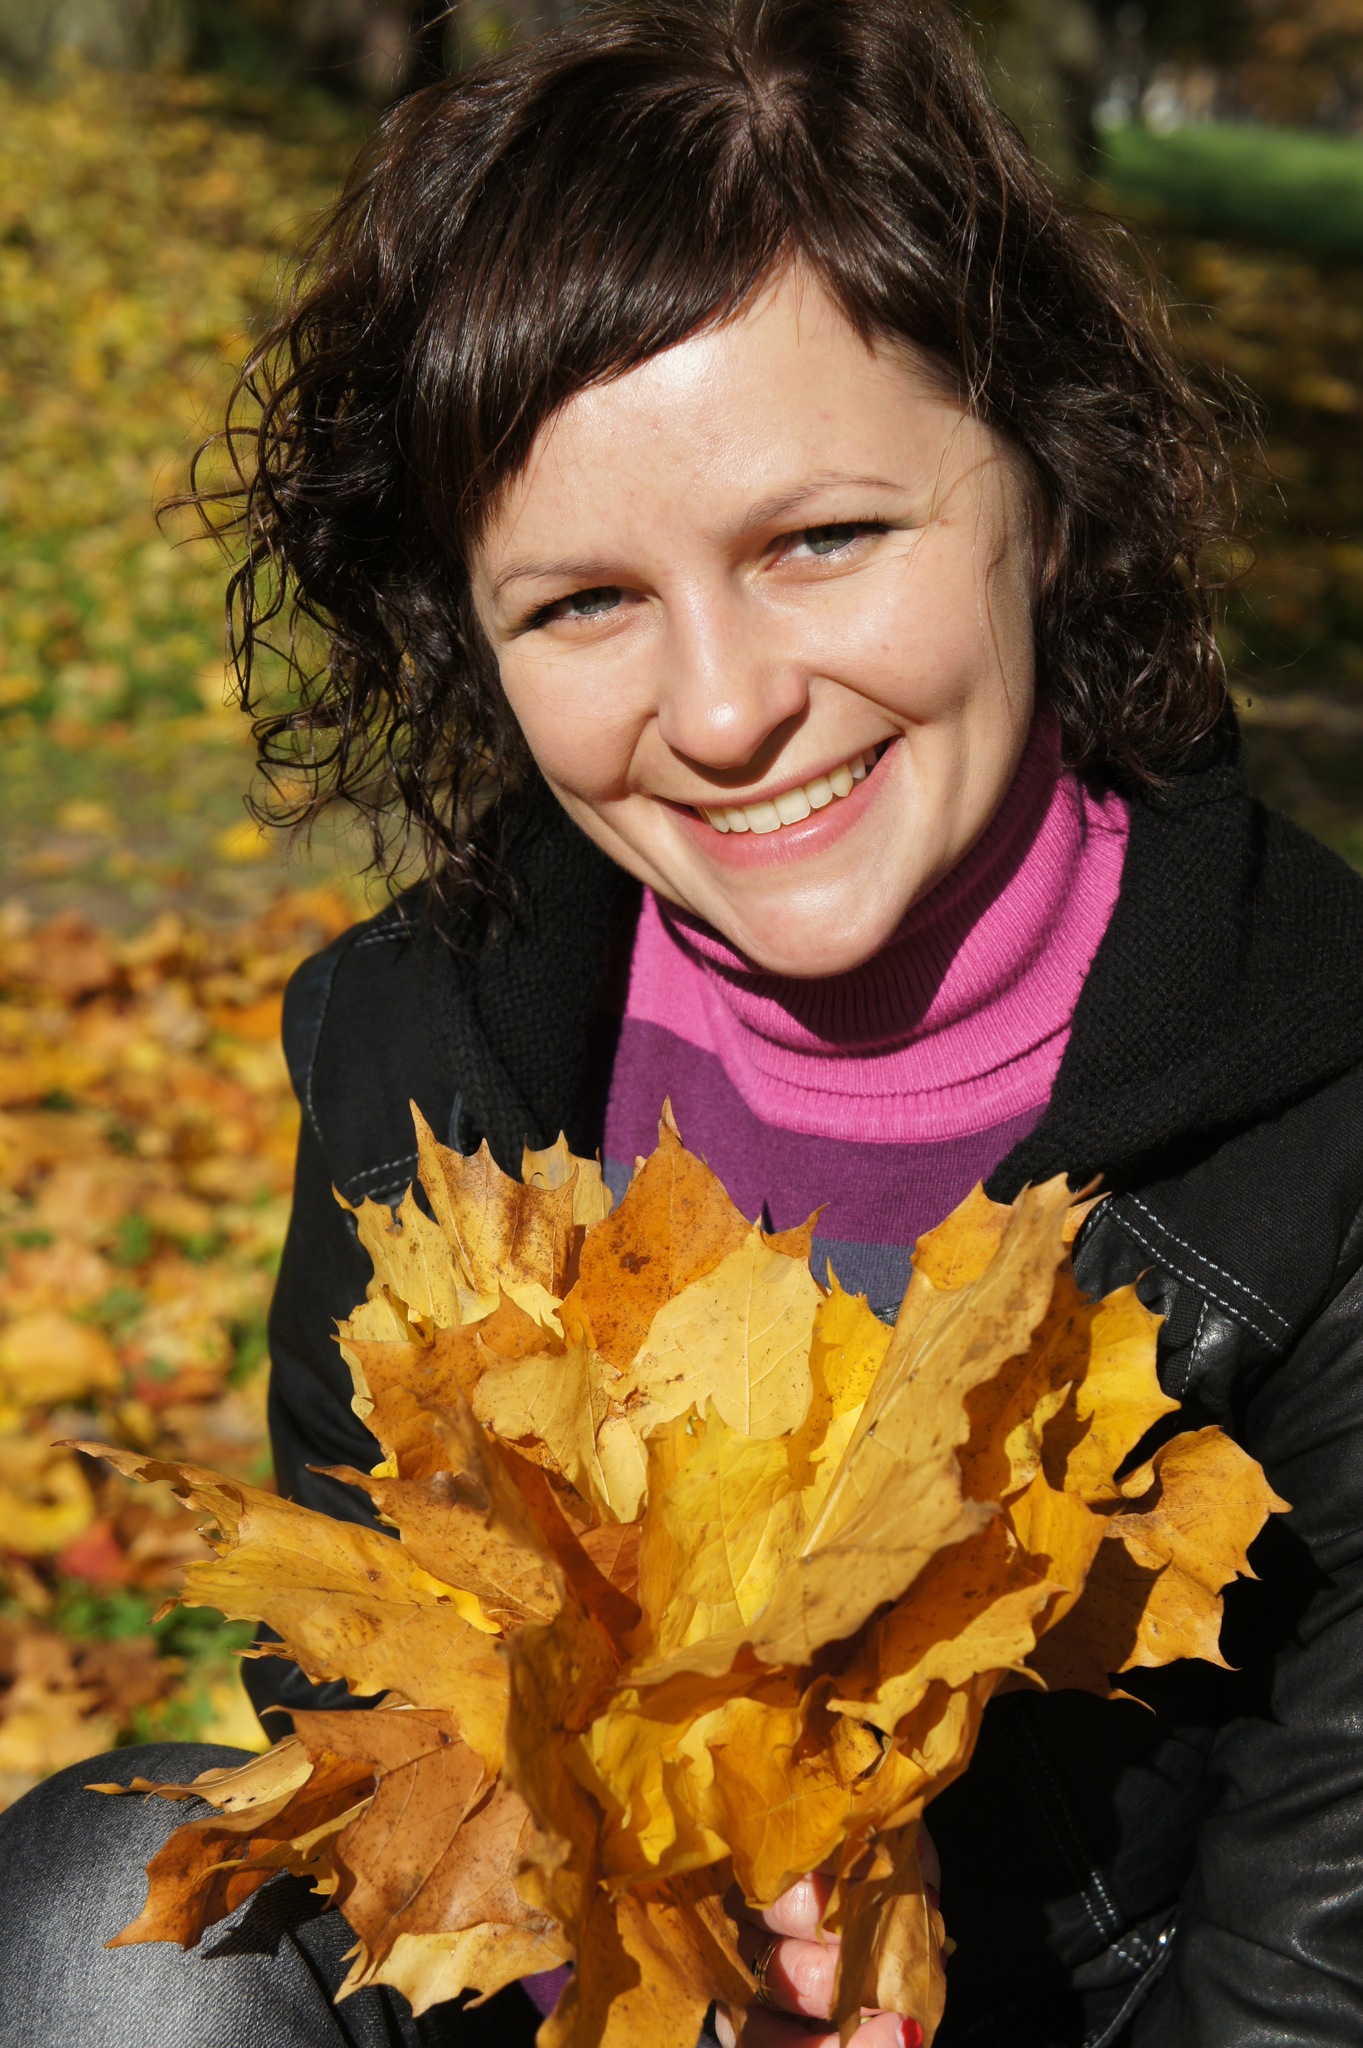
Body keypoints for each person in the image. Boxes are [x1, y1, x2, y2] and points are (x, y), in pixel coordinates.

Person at [6, 0, 1363, 2042]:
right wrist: (641, 1938)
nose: (723, 712)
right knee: (96, 1911)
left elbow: (1310, 1976)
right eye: (583, 604)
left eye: (822, 540)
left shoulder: (1322, 1135)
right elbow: (381, 1700)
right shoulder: (420, 1049)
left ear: (1048, 491)